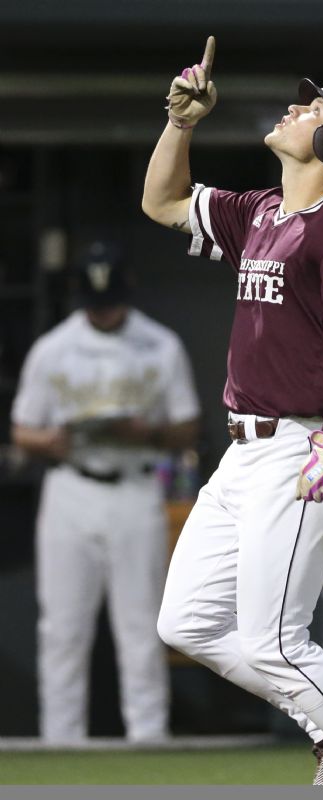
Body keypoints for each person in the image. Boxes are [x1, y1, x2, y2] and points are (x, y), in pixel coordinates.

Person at [142, 36, 323, 785]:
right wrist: (180, 125)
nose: (296, 107)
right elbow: (163, 203)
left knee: (276, 639)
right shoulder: (263, 211)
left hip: (300, 445)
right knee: (186, 622)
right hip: (244, 454)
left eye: (315, 106)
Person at [11, 240, 201, 744]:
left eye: (110, 300)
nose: (103, 311)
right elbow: (22, 430)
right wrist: (53, 440)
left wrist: (147, 434)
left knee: (140, 625)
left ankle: (148, 739)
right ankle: (61, 744)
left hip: (136, 485)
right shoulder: (53, 347)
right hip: (70, 487)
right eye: (95, 302)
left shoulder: (160, 344)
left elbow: (188, 426)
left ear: (127, 291)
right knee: (62, 630)